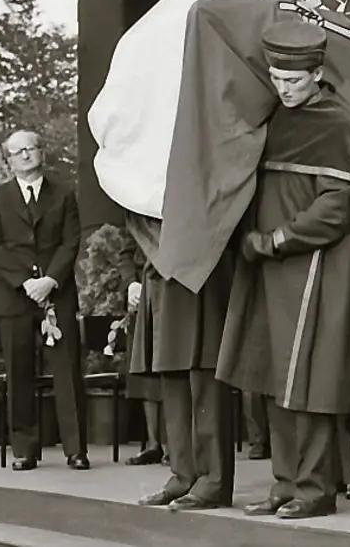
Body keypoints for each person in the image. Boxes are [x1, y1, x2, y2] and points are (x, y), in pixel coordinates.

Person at [217, 20, 350, 520]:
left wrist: (275, 240)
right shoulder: (274, 121)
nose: (283, 89)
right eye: (276, 79)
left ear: (316, 74)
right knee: (273, 377)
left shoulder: (342, 127)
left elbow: (335, 208)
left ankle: (315, 489)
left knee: (309, 381)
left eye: (292, 80)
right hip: (270, 272)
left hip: (316, 270)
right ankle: (285, 483)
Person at [0, 130, 88, 471]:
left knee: (67, 372)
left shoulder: (64, 194)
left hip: (57, 294)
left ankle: (76, 450)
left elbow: (71, 242)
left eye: (31, 148)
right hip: (14, 297)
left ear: (42, 152)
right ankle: (25, 450)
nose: (25, 155)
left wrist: (50, 280)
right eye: (18, 152)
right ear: (8, 160)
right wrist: (26, 283)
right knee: (19, 373)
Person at [128, 211, 235, 511]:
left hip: (203, 262)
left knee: (205, 376)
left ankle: (213, 482)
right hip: (163, 266)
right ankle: (182, 475)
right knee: (172, 376)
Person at [115, 235, 167, 467]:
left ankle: (176, 446)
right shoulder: (138, 216)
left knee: (172, 369)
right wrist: (131, 284)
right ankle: (154, 444)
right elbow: (126, 255)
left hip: (172, 292)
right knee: (146, 370)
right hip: (144, 297)